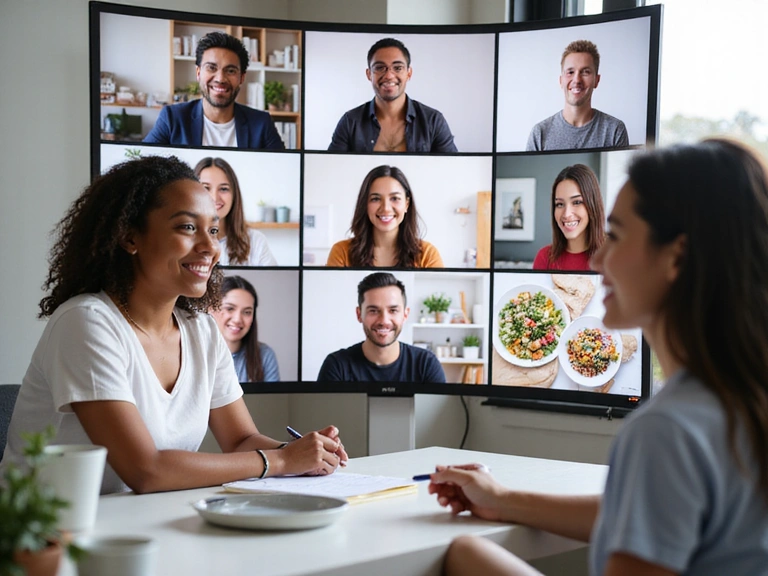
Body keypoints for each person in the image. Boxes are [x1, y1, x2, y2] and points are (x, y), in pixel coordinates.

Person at [429, 139, 768, 575]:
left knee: (465, 554)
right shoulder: (740, 393)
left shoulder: (666, 430)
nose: (601, 255)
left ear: (675, 256)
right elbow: (648, 510)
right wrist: (503, 500)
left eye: (619, 235)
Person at [0, 156, 346, 495]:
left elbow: (241, 440)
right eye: (187, 227)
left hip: (140, 523)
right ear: (129, 237)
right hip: (43, 535)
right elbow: (145, 470)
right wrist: (280, 461)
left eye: (213, 229)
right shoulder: (87, 322)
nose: (210, 247)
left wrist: (304, 454)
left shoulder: (202, 330)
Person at [143, 32, 284, 150]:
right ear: (198, 73)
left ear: (241, 78)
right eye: (211, 68)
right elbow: (140, 162)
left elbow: (282, 170)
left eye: (230, 71)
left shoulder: (261, 124)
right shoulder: (172, 119)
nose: (220, 79)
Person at [328, 38, 457, 153]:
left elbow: (451, 170)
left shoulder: (433, 121)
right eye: (379, 68)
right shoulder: (350, 122)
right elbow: (332, 170)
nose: (389, 75)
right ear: (369, 74)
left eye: (398, 68)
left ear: (409, 73)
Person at [317, 272, 445, 383]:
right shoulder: (337, 365)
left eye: (393, 310)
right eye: (373, 311)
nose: (384, 321)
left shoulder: (426, 364)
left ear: (405, 315)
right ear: (359, 314)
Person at [326, 165, 443, 268]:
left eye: (395, 198)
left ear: (407, 204)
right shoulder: (341, 252)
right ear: (364, 204)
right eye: (375, 199)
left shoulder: (427, 255)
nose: (386, 208)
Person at [526, 40, 628, 152]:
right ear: (561, 81)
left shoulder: (615, 130)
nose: (577, 80)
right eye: (570, 72)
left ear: (596, 80)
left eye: (585, 72)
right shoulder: (539, 133)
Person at [194, 157, 277, 266]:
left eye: (223, 189)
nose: (214, 197)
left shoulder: (256, 241)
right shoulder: (180, 239)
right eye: (205, 188)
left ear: (234, 195)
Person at [533, 164, 605, 271]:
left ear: (593, 205)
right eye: (560, 204)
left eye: (576, 202)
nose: (566, 214)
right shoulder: (544, 258)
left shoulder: (614, 256)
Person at [212, 275, 280, 383]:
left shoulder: (265, 355)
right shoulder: (193, 354)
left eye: (247, 312)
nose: (237, 319)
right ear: (212, 310)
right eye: (230, 308)